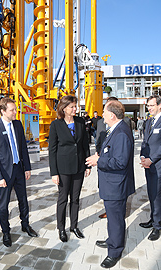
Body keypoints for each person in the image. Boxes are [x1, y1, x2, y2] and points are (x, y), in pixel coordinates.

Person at [86, 100, 135, 268]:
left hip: (116, 186)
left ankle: (114, 251)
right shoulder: (116, 129)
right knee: (113, 218)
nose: (102, 115)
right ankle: (112, 240)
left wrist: (99, 160)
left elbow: (120, 162)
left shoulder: (121, 133)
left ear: (112, 115)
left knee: (115, 219)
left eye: (104, 112)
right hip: (112, 184)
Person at [0, 97, 38, 247]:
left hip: (19, 170)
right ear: (3, 111)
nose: (15, 112)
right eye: (12, 110)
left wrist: (27, 167)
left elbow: (23, 147)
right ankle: (6, 232)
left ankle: (25, 224)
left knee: (23, 199)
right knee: (4, 205)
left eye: (15, 109)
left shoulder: (18, 124)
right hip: (4, 174)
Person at [49, 95, 91, 242]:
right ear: (64, 108)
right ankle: (61, 228)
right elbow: (52, 150)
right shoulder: (56, 125)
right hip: (63, 169)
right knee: (62, 199)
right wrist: (54, 172)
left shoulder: (80, 122)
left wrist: (87, 165)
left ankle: (74, 226)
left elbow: (85, 144)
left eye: (75, 106)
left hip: (79, 166)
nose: (75, 109)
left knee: (75, 199)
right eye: (72, 106)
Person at [140, 95, 161, 241]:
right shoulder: (149, 122)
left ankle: (157, 226)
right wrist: (142, 156)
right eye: (148, 106)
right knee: (151, 194)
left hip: (158, 165)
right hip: (148, 166)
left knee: (157, 196)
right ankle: (153, 219)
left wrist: (152, 159)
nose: (149, 108)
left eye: (152, 105)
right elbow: (144, 141)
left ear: (160, 105)